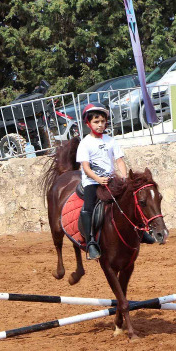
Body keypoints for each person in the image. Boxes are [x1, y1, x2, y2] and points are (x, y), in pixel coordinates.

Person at [76, 102, 127, 259]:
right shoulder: (85, 143)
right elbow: (85, 167)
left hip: (110, 179)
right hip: (92, 182)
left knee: (128, 199)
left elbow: (119, 161)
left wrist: (124, 178)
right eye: (96, 122)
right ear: (88, 123)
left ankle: (138, 231)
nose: (100, 125)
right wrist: (98, 179)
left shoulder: (111, 140)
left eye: (102, 121)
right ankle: (90, 241)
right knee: (88, 207)